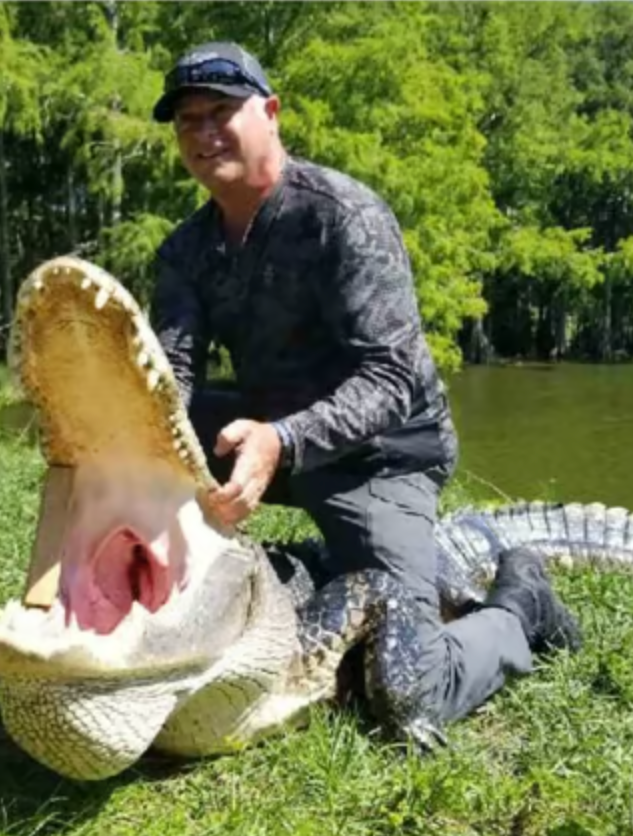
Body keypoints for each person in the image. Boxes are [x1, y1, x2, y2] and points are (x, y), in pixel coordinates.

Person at [148, 41, 581, 740]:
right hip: (269, 435)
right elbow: (173, 377)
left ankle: (520, 606)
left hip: (384, 454)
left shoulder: (343, 217)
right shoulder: (183, 252)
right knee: (140, 427)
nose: (202, 133)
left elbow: (391, 378)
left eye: (221, 111)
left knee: (410, 686)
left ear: (270, 112)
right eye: (186, 119)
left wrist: (280, 442)